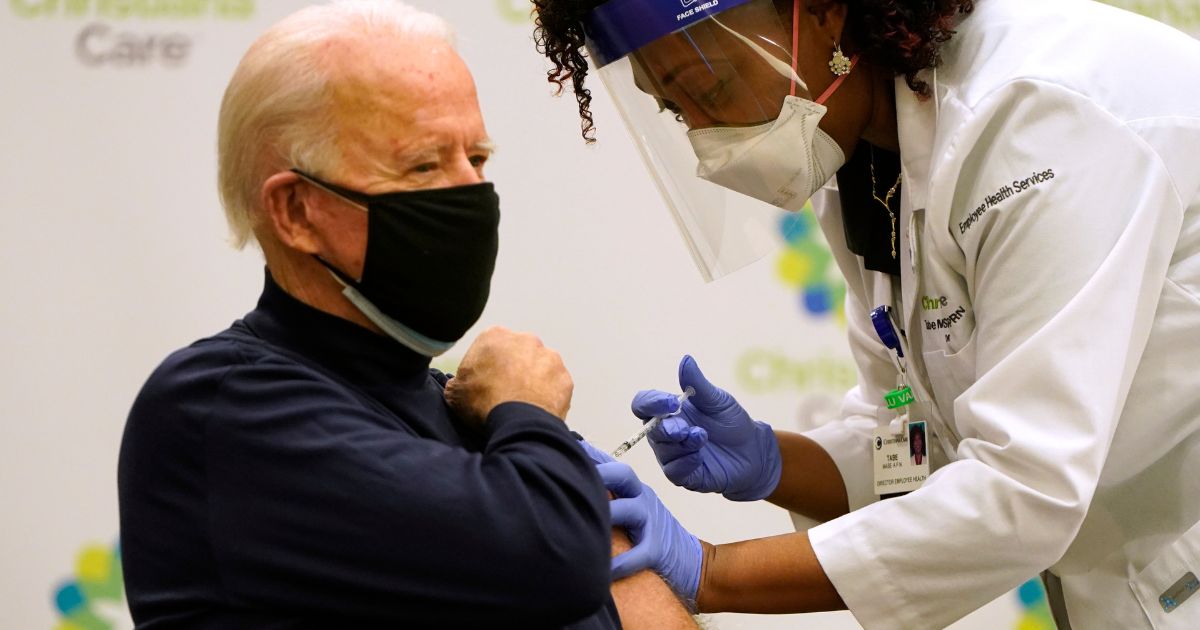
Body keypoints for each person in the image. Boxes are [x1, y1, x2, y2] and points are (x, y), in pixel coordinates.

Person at [530, 0, 1200, 627]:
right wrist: (774, 463)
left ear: (822, 12)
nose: (707, 143)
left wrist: (713, 572)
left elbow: (1022, 492)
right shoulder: (867, 164)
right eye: (678, 112)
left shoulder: (1032, 119)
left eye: (709, 90)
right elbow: (914, 441)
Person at [117, 2, 697, 628]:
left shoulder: (464, 409)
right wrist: (530, 417)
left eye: (476, 159)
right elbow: (553, 561)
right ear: (296, 211)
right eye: (423, 165)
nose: (470, 194)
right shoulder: (220, 407)